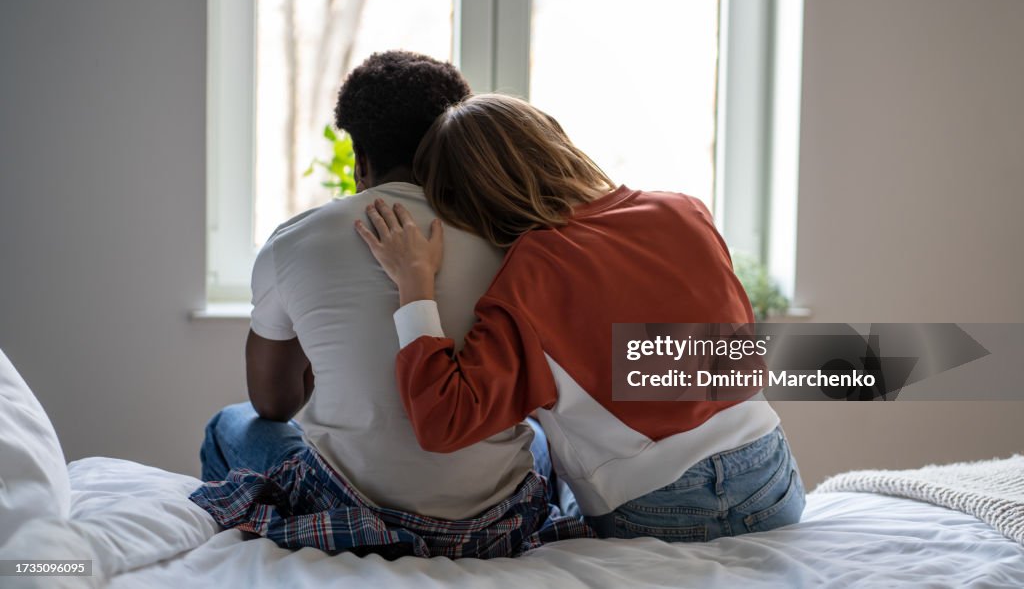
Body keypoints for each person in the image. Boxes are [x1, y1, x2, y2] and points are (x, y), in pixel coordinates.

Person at [355, 92, 806, 542]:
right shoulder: (684, 210)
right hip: (772, 477)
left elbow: (445, 421)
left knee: (539, 465)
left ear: (464, 205)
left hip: (661, 507)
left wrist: (414, 283)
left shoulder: (529, 276)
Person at [198, 52, 548, 530]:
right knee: (541, 442)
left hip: (351, 507)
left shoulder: (295, 242)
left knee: (229, 425)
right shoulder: (507, 234)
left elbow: (274, 404)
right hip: (495, 515)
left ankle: (233, 557)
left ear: (361, 160)